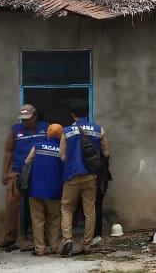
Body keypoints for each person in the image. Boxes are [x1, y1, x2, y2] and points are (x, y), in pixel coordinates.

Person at [59, 103, 109, 256]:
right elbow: (106, 153)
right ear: (88, 113)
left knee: (67, 208)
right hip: (90, 176)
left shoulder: (66, 132)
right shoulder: (98, 130)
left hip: (71, 176)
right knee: (89, 211)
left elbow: (62, 157)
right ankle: (87, 244)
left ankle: (67, 240)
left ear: (73, 115)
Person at [0, 104, 49, 251]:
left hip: (39, 171)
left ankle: (43, 236)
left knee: (42, 204)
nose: (25, 122)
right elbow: (8, 152)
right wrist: (5, 173)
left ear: (35, 116)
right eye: (23, 119)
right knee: (11, 204)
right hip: (18, 172)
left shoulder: (45, 128)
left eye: (28, 119)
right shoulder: (15, 131)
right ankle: (9, 238)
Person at [24, 123, 65, 256]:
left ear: (48, 133)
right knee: (53, 219)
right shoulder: (62, 150)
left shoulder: (38, 146)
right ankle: (54, 247)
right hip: (54, 191)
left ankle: (39, 249)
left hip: (36, 189)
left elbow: (27, 162)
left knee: (37, 220)